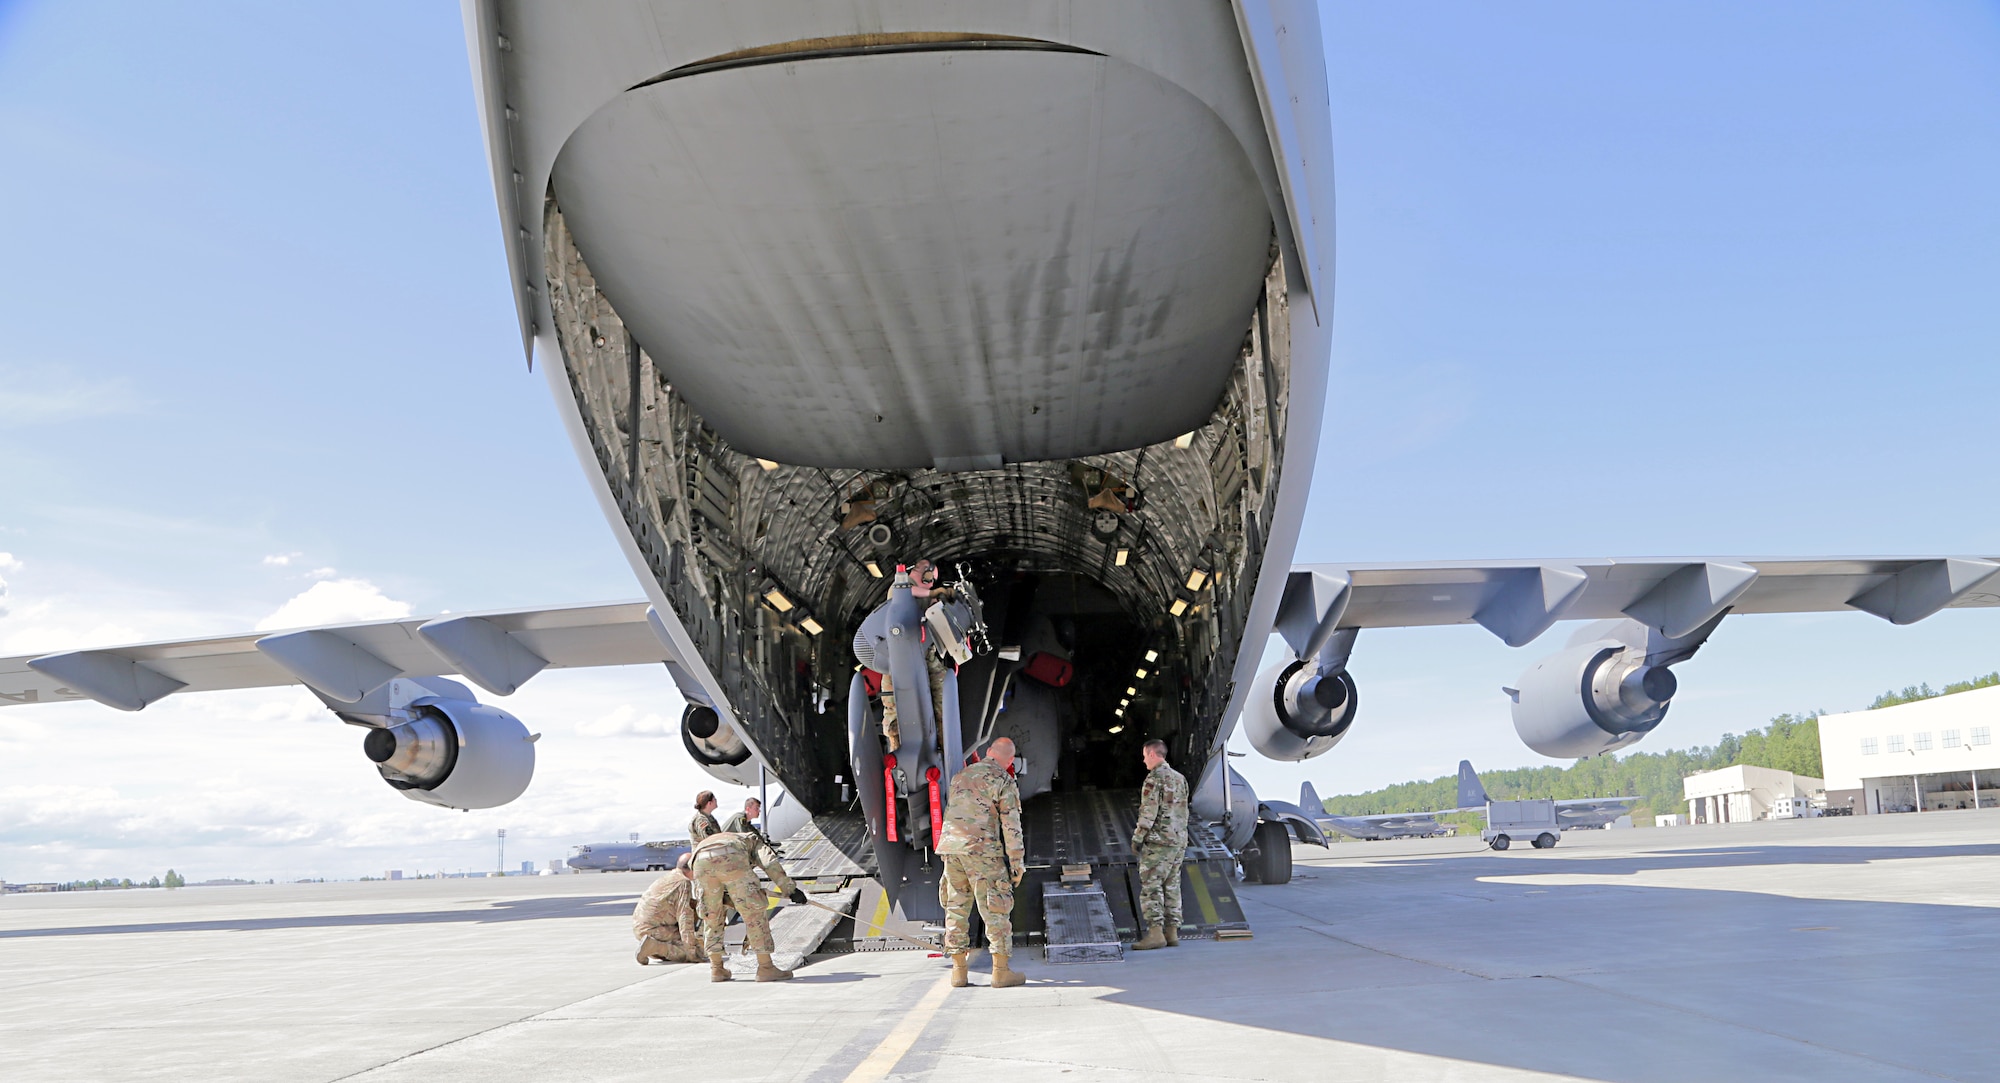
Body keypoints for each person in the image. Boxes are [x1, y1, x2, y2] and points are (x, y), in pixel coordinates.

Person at [936, 737, 1026, 988]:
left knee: (955, 908)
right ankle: (1001, 972)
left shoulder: (961, 776)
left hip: (951, 849)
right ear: (1010, 761)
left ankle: (958, 972)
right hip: (983, 851)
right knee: (995, 908)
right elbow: (1011, 825)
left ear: (988, 753)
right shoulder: (1003, 780)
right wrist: (1017, 864)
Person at [689, 830, 807, 983]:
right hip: (731, 858)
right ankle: (766, 968)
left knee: (711, 915)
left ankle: (717, 969)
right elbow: (769, 863)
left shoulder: (719, 838)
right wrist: (790, 889)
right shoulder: (753, 840)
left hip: (700, 861)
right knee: (753, 913)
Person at [872, 558, 953, 753]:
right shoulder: (899, 588)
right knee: (892, 707)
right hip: (895, 658)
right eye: (917, 568)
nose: (915, 571)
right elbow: (905, 592)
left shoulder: (928, 598)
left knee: (943, 695)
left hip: (925, 656)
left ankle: (943, 742)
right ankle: (895, 746)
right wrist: (934, 593)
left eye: (921, 569)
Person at [1129, 739, 1189, 950]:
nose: (1144, 760)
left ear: (1153, 755)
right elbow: (1184, 811)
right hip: (1178, 841)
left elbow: (1148, 812)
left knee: (1151, 886)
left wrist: (1138, 837)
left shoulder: (1154, 779)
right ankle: (1171, 933)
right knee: (1172, 885)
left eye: (1145, 756)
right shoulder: (1180, 779)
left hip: (1159, 842)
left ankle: (1155, 933)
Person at [631, 852, 704, 965]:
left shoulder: (671, 876)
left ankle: (654, 947)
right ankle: (655, 947)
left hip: (642, 927)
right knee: (698, 951)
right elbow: (685, 918)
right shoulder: (683, 883)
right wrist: (692, 951)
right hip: (654, 929)